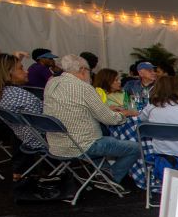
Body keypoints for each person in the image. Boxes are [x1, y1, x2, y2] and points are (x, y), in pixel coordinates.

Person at [43, 54, 138, 185]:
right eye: (89, 71)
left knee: (101, 138)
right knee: (136, 148)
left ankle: (103, 173)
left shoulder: (52, 82)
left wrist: (105, 107)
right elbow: (110, 119)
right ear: (83, 70)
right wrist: (126, 114)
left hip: (56, 145)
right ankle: (112, 179)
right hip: (82, 146)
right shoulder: (84, 88)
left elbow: (74, 106)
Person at [0, 52, 45, 179]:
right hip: (41, 140)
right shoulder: (20, 95)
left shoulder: (2, 94)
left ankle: (20, 170)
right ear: (9, 73)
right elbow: (45, 119)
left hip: (24, 138)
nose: (26, 71)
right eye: (21, 69)